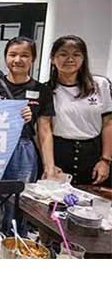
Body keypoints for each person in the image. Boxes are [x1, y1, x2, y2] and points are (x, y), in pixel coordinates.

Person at [0, 37, 56, 182]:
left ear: (33, 59)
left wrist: (49, 167)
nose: (18, 60)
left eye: (24, 55)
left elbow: (44, 131)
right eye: (12, 55)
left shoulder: (42, 90)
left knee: (20, 193)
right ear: (5, 57)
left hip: (23, 150)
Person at [48, 35, 111, 186]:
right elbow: (45, 130)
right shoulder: (47, 90)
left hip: (94, 154)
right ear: (52, 58)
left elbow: (108, 124)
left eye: (76, 55)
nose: (70, 59)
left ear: (83, 59)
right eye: (63, 54)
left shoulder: (99, 85)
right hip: (59, 153)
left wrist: (105, 160)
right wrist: (49, 165)